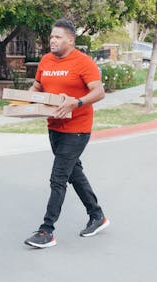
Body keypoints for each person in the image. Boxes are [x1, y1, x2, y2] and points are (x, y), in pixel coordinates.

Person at [24, 19, 109, 249]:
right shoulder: (46, 60)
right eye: (52, 36)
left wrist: (77, 102)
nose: (53, 40)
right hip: (54, 126)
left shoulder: (83, 62)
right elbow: (37, 87)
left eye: (58, 37)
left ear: (71, 40)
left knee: (58, 177)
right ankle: (97, 215)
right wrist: (27, 98)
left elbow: (99, 92)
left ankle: (46, 230)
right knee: (74, 174)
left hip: (78, 128)